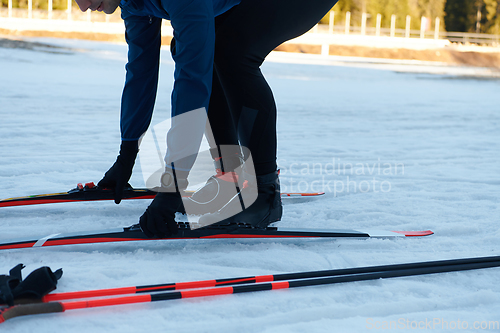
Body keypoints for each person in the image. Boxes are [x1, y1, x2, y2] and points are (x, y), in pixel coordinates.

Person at [75, 0, 338, 238]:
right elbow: (140, 72)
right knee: (205, 46)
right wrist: (127, 154)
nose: (82, 6)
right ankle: (232, 176)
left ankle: (264, 194)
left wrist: (175, 182)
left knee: (231, 50)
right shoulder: (131, 3)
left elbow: (192, 80)